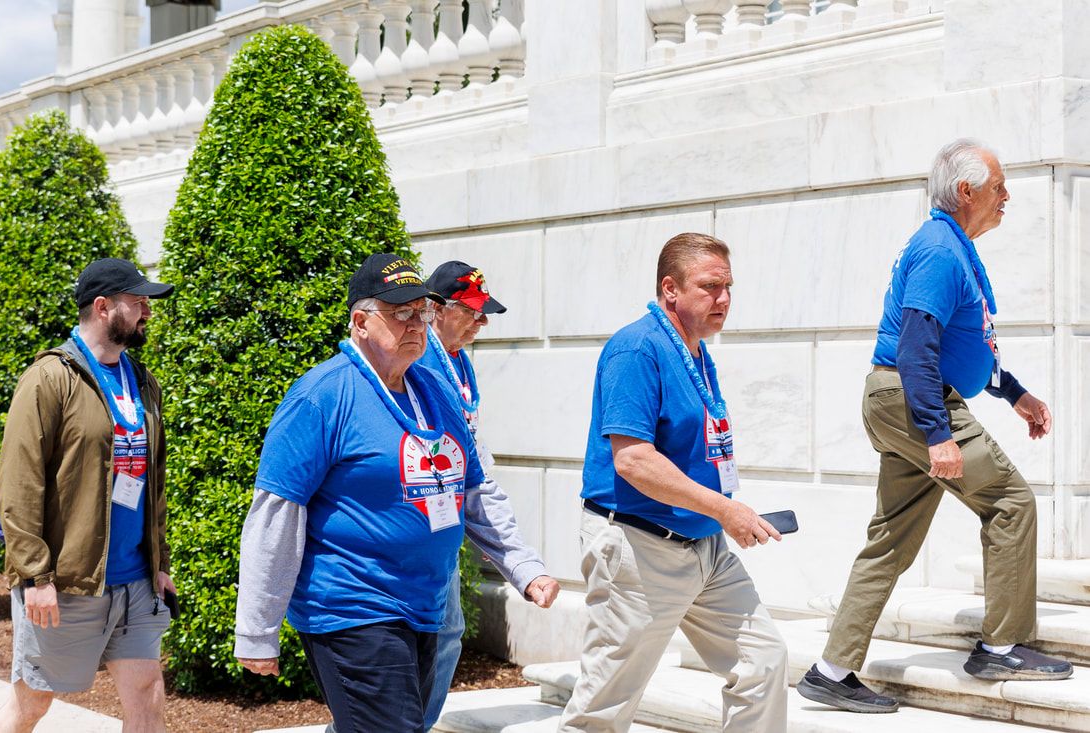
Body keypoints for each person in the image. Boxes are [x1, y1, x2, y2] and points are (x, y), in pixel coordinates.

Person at [798, 139, 1071, 715]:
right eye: (998, 187)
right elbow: (917, 346)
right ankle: (1001, 647)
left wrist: (1014, 393)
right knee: (1011, 503)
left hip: (900, 398)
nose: (1007, 196)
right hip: (914, 400)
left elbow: (961, 345)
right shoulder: (941, 252)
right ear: (966, 191)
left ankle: (831, 670)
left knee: (891, 540)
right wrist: (938, 432)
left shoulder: (949, 246)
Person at [234, 254, 487, 733]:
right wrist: (257, 631)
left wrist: (522, 565)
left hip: (422, 604)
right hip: (351, 604)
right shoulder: (320, 396)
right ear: (361, 322)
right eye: (401, 313)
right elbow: (277, 512)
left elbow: (474, 485)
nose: (417, 324)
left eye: (422, 312)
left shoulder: (434, 389)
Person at [558, 233, 788, 733]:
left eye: (728, 287)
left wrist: (720, 512)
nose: (723, 298)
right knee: (603, 707)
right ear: (670, 289)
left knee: (764, 661)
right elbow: (634, 461)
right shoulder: (636, 349)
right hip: (640, 546)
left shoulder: (695, 350)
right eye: (710, 287)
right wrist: (726, 510)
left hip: (705, 545)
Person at [0, 258, 176, 733]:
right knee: (31, 705)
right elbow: (18, 483)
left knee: (148, 696)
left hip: (135, 582)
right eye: (138, 302)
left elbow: (153, 479)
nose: (147, 312)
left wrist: (160, 562)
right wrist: (35, 575)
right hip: (67, 583)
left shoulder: (142, 380)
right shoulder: (50, 378)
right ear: (102, 307)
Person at [418, 260, 560, 730]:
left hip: (443, 528)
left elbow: (472, 465)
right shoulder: (417, 362)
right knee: (424, 642)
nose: (482, 322)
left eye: (485, 313)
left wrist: (522, 565)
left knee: (446, 636)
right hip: (409, 533)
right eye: (473, 311)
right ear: (437, 309)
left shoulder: (458, 362)